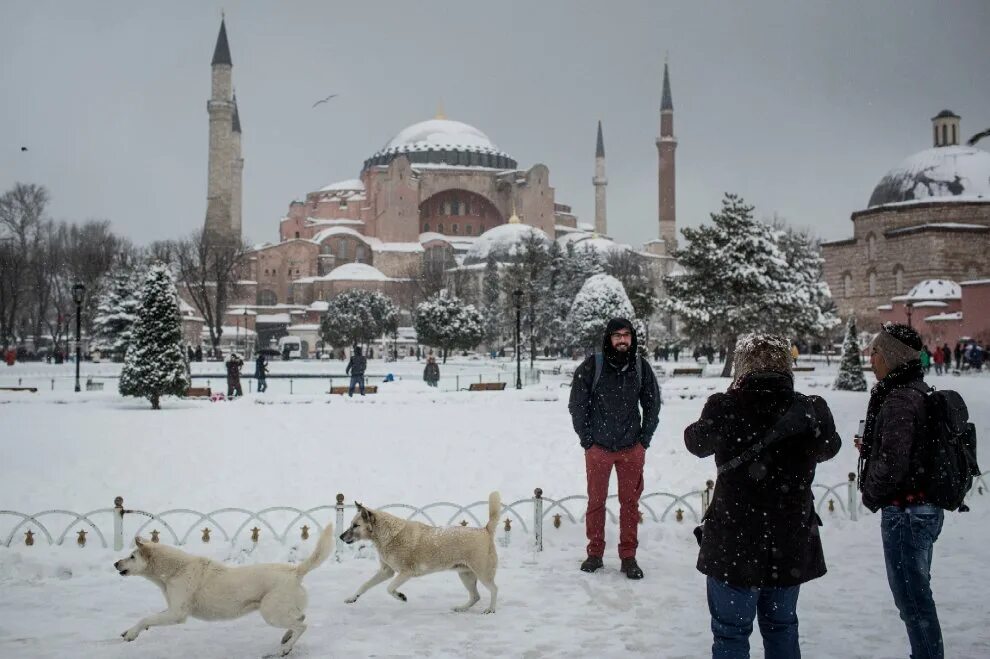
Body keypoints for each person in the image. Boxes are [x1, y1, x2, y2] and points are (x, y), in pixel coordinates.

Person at [684, 333, 840, 658]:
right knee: (782, 627)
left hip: (735, 541)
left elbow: (695, 441)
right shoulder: (808, 410)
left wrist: (730, 404)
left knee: (730, 635)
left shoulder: (726, 407)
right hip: (788, 540)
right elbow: (830, 446)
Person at [858, 323, 944, 659]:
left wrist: (871, 492)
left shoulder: (898, 400)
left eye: (876, 352)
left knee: (913, 600)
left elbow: (893, 463)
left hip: (906, 513)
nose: (871, 358)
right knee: (916, 594)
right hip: (921, 509)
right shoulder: (917, 390)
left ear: (892, 356)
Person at [568, 318, 661, 580]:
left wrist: (644, 440)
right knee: (595, 502)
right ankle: (595, 553)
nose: (622, 340)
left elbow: (653, 404)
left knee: (629, 504)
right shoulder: (592, 366)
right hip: (598, 447)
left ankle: (628, 556)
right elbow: (577, 404)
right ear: (608, 338)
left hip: (631, 447)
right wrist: (587, 439)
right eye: (617, 335)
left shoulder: (641, 367)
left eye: (627, 335)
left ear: (632, 338)